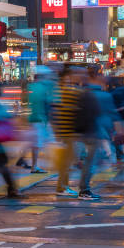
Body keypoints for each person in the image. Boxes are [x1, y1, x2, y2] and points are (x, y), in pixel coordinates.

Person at [78, 67, 117, 200]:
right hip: (95, 133)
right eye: (102, 75)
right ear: (97, 77)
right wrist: (113, 132)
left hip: (85, 132)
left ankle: (84, 188)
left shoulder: (83, 92)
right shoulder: (103, 95)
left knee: (90, 161)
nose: (104, 78)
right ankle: (84, 190)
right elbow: (108, 116)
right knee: (91, 162)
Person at [52, 65, 83, 197]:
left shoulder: (59, 91)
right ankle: (62, 187)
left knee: (66, 162)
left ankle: (63, 186)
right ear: (67, 77)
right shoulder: (69, 91)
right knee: (66, 162)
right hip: (68, 132)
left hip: (64, 132)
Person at [24, 66, 55, 174]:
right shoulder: (44, 88)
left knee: (37, 143)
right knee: (38, 143)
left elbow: (25, 101)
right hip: (40, 119)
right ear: (42, 76)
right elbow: (50, 103)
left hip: (32, 118)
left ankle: (35, 164)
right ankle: (35, 166)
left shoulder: (30, 87)